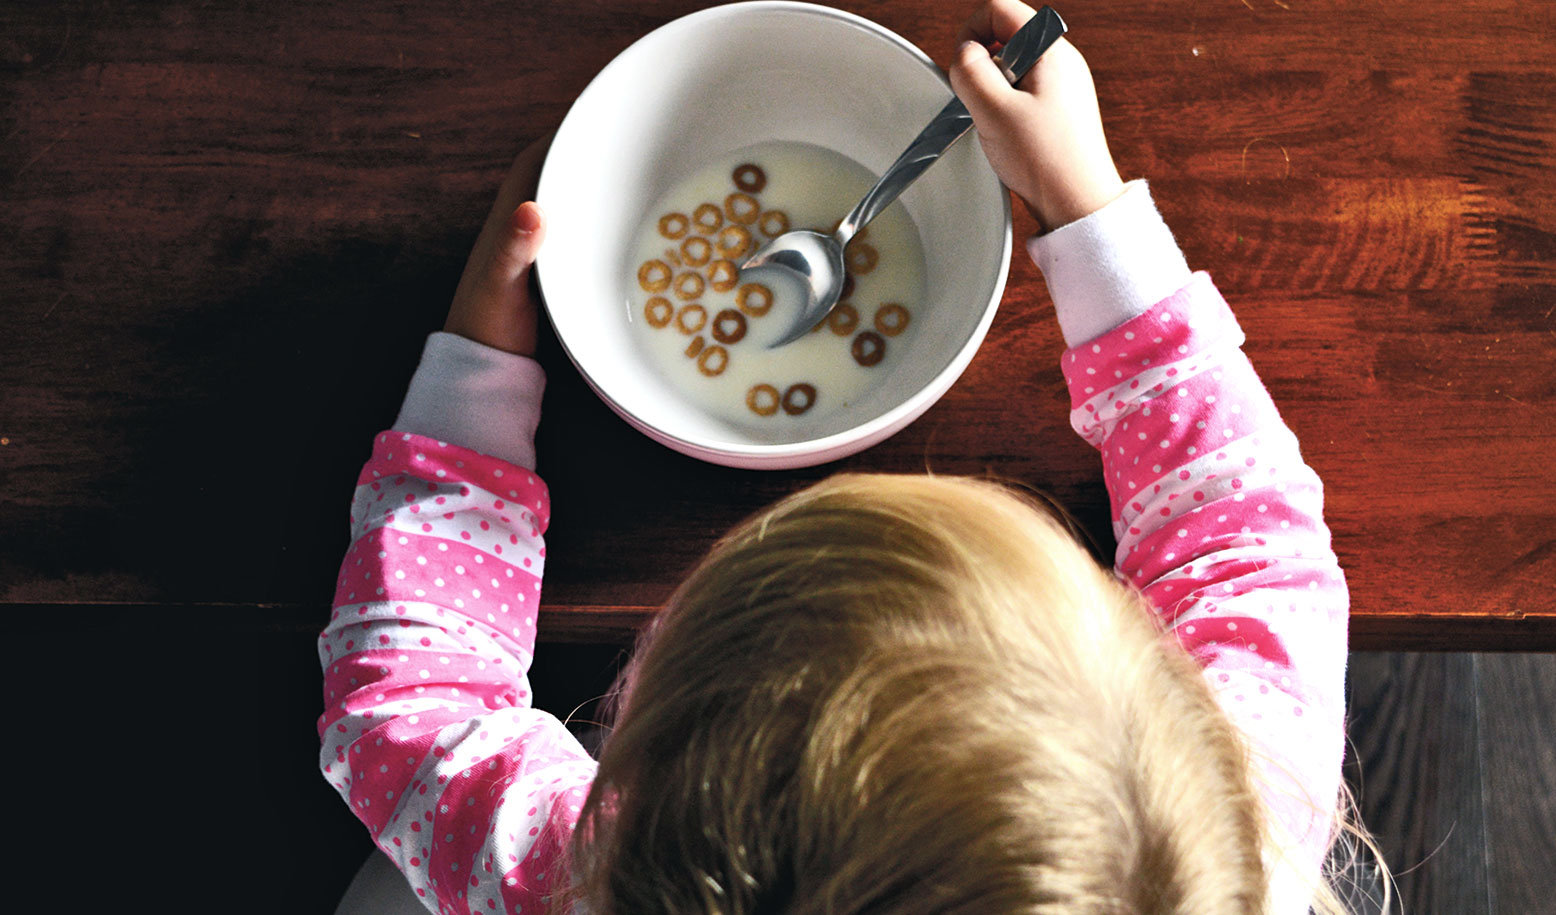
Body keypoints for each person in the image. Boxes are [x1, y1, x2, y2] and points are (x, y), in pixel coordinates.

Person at [317, 1, 1387, 912]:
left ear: (654, 786)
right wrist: (1085, 207)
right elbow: (1244, 539)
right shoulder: (1230, 831)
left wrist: (472, 379)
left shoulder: (577, 880)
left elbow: (410, 710)